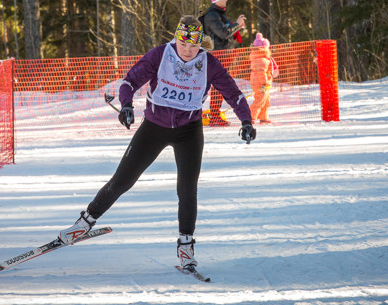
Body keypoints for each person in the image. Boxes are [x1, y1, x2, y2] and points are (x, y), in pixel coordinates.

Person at [58, 15, 256, 271]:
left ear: (201, 44)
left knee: (187, 189)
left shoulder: (208, 63)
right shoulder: (161, 55)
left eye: (193, 46)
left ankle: (186, 246)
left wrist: (247, 121)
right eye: (183, 45)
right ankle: (84, 223)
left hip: (189, 131)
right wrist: (126, 107)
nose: (187, 51)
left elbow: (233, 93)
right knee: (123, 180)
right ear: (176, 38)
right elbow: (130, 82)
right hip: (154, 127)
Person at [201, 0, 246, 127]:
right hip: (217, 55)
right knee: (213, 86)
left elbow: (225, 32)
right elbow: (224, 33)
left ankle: (214, 115)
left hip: (223, 54)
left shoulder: (218, 14)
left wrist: (236, 25)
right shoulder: (212, 16)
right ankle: (209, 116)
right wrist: (237, 25)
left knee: (218, 87)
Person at [249, 33, 279, 124]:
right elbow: (262, 73)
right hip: (261, 84)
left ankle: (263, 117)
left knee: (266, 100)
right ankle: (251, 117)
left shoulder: (262, 58)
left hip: (262, 84)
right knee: (259, 100)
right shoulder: (261, 60)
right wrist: (264, 83)